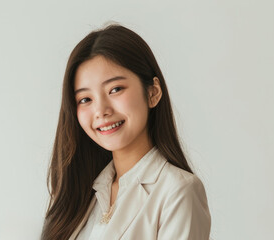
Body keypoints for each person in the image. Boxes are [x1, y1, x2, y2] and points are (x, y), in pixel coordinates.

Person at [42, 23, 211, 240]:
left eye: (115, 89)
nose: (101, 110)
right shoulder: (79, 198)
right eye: (85, 99)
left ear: (153, 92)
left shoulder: (178, 191)